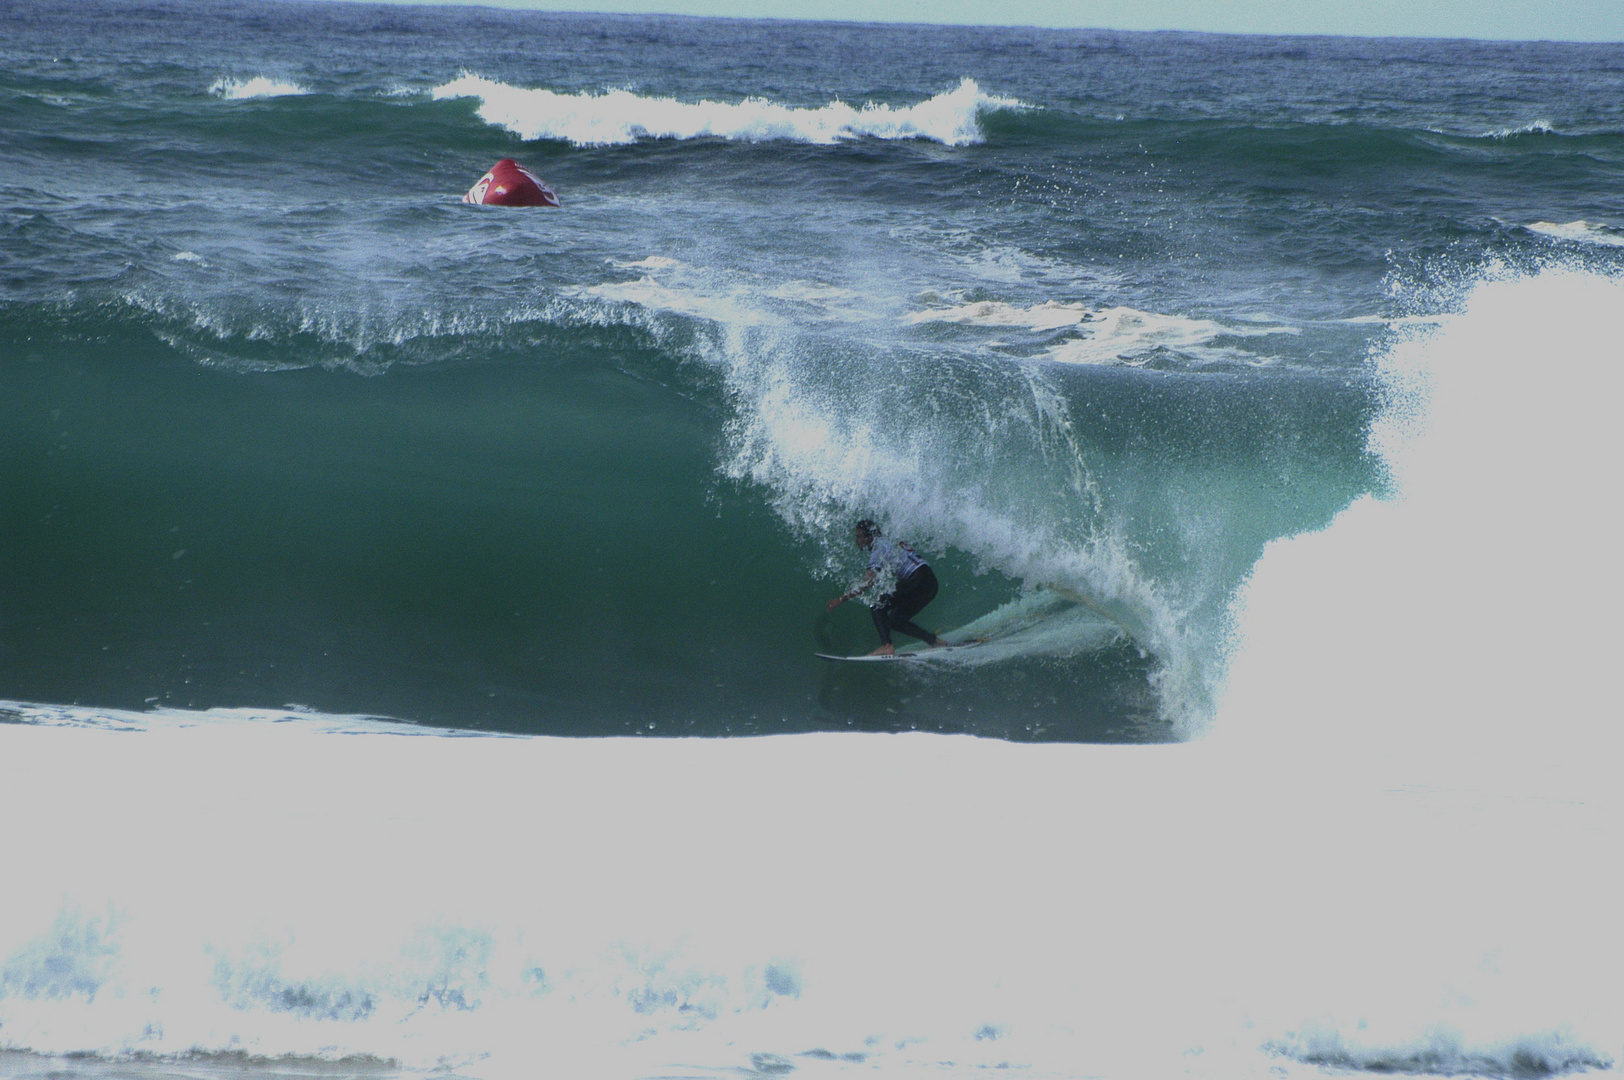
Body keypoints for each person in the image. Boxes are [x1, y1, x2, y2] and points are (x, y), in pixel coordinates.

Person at [826, 519, 948, 656]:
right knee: (896, 620)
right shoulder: (890, 541)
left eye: (858, 536)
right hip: (930, 582)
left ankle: (887, 646)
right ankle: (934, 641)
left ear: (869, 537)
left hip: (918, 579)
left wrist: (841, 599)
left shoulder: (879, 546)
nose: (856, 540)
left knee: (877, 605)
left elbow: (868, 581)